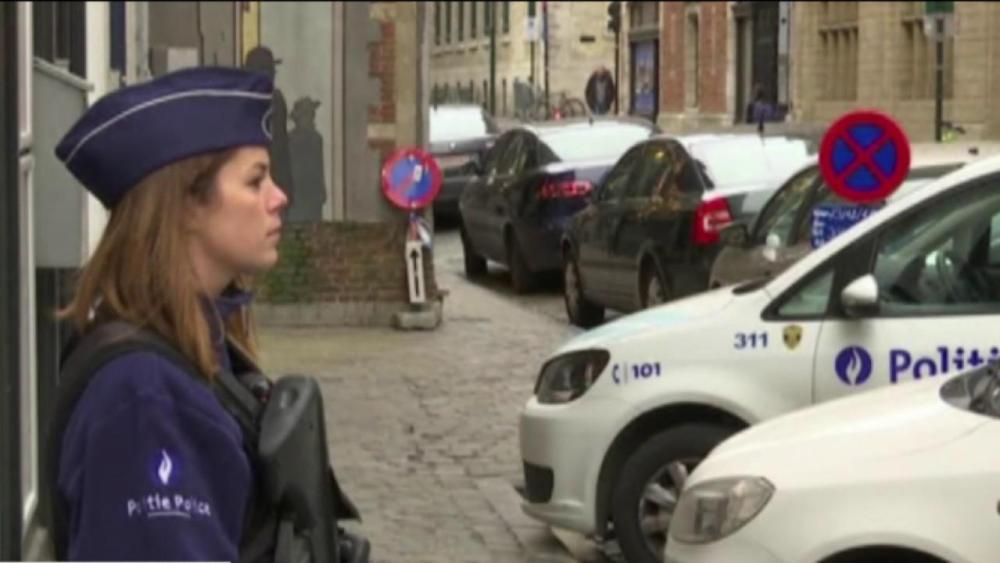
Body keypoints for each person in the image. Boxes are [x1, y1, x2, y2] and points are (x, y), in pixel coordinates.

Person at [46, 67, 364, 562]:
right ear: (186, 205)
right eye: (256, 180)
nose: (279, 197)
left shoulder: (189, 351)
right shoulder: (145, 397)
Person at [244, 46, 295, 216]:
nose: (274, 74)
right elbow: (280, 148)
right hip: (267, 180)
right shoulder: (273, 100)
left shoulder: (243, 101)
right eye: (271, 70)